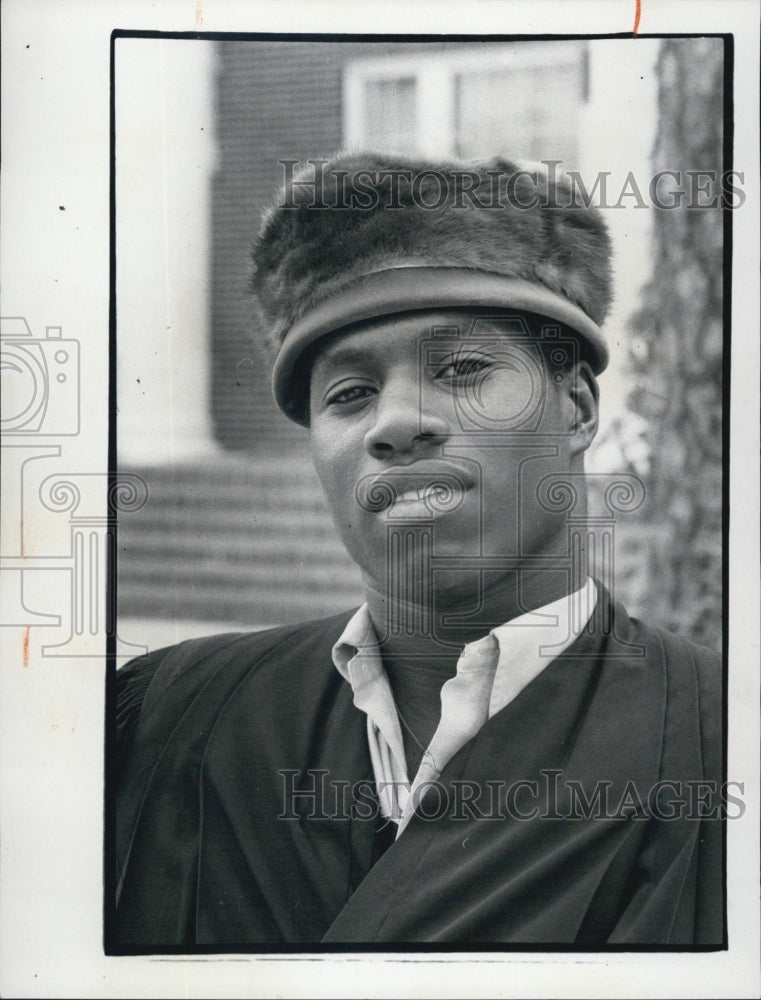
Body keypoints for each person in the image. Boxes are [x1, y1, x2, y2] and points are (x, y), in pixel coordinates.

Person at [112, 153, 723, 948]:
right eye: (349, 394)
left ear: (574, 408)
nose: (394, 422)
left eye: (463, 368)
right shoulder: (166, 718)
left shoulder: (719, 736)